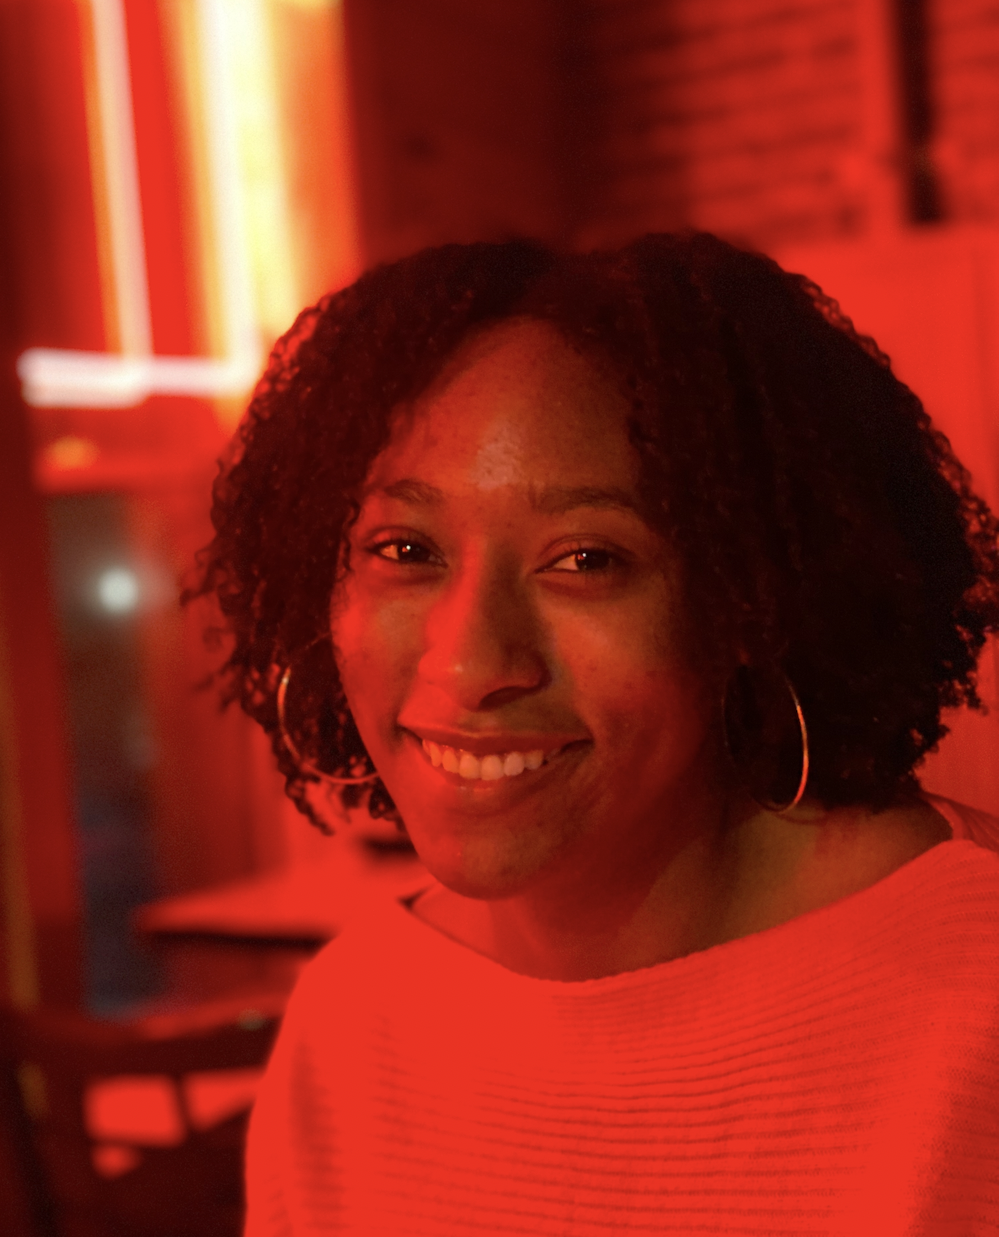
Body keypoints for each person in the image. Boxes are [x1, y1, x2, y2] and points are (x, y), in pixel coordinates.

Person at [192, 233, 999, 1234]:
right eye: (405, 549)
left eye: (585, 559)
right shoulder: (350, 1029)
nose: (471, 663)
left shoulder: (971, 1012)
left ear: (748, 601)